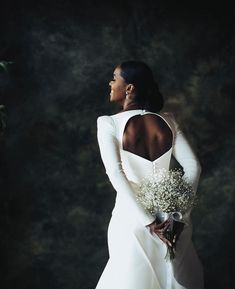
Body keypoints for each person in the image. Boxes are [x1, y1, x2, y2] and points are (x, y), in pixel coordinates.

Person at [95, 61, 204, 289]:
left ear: (130, 88)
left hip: (132, 219)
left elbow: (116, 173)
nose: (110, 82)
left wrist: (148, 222)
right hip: (171, 222)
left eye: (114, 78)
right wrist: (178, 214)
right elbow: (194, 166)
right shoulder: (169, 121)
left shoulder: (109, 124)